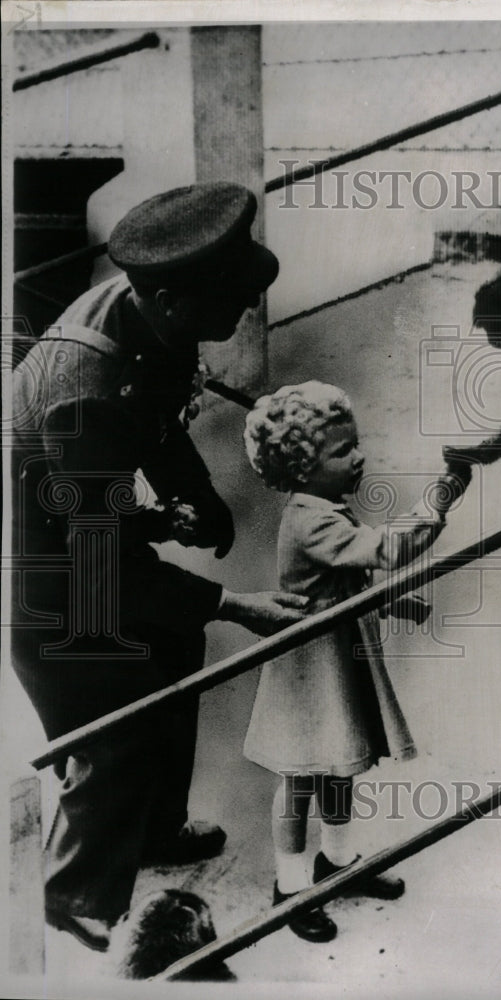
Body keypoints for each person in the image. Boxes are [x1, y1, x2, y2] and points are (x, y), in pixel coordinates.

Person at [10, 183, 308, 952]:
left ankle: (153, 831)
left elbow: (157, 398)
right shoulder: (84, 396)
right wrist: (234, 604)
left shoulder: (143, 307)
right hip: (44, 571)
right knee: (117, 720)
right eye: (234, 302)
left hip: (84, 520)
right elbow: (99, 565)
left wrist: (193, 494)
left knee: (172, 651)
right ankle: (71, 893)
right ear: (174, 299)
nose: (244, 313)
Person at [242, 381, 464, 943]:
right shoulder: (309, 519)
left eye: (355, 444)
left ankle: (338, 864)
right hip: (309, 671)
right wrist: (437, 503)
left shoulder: (325, 509)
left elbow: (347, 579)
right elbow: (384, 552)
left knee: (340, 767)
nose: (359, 457)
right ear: (301, 468)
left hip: (338, 659)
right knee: (300, 780)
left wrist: (396, 600)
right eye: (343, 452)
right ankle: (291, 890)